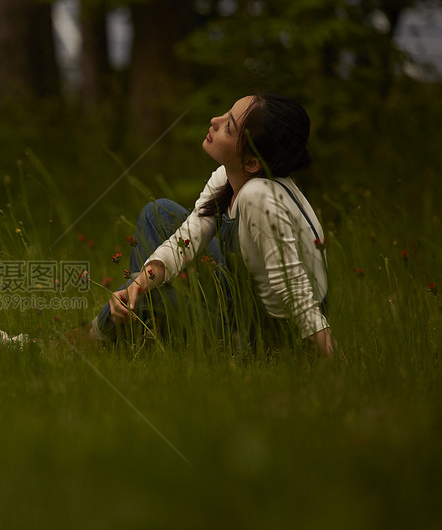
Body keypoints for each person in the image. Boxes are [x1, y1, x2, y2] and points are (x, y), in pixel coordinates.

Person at [90, 92, 336, 358]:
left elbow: (295, 290)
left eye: (228, 127)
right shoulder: (230, 176)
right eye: (226, 114)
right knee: (156, 214)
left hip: (265, 337)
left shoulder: (259, 198)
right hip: (239, 297)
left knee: (152, 298)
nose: (214, 121)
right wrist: (138, 283)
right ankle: (138, 324)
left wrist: (336, 363)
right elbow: (187, 238)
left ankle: (95, 338)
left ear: (251, 162)